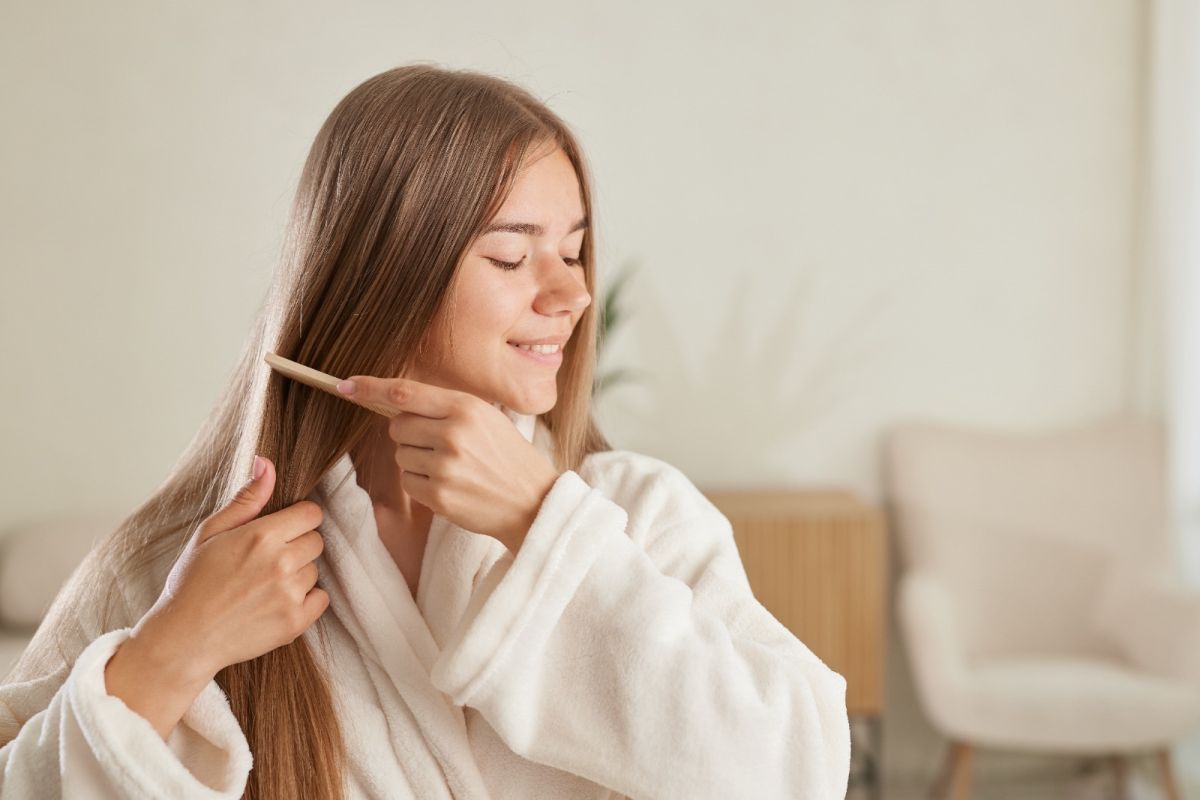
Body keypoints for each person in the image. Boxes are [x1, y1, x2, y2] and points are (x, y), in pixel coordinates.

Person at [0, 64, 851, 799]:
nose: (571, 293)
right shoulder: (187, 563)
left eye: (575, 251)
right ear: (386, 276)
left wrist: (543, 522)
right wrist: (169, 654)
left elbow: (799, 773)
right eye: (513, 258)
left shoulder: (640, 517)